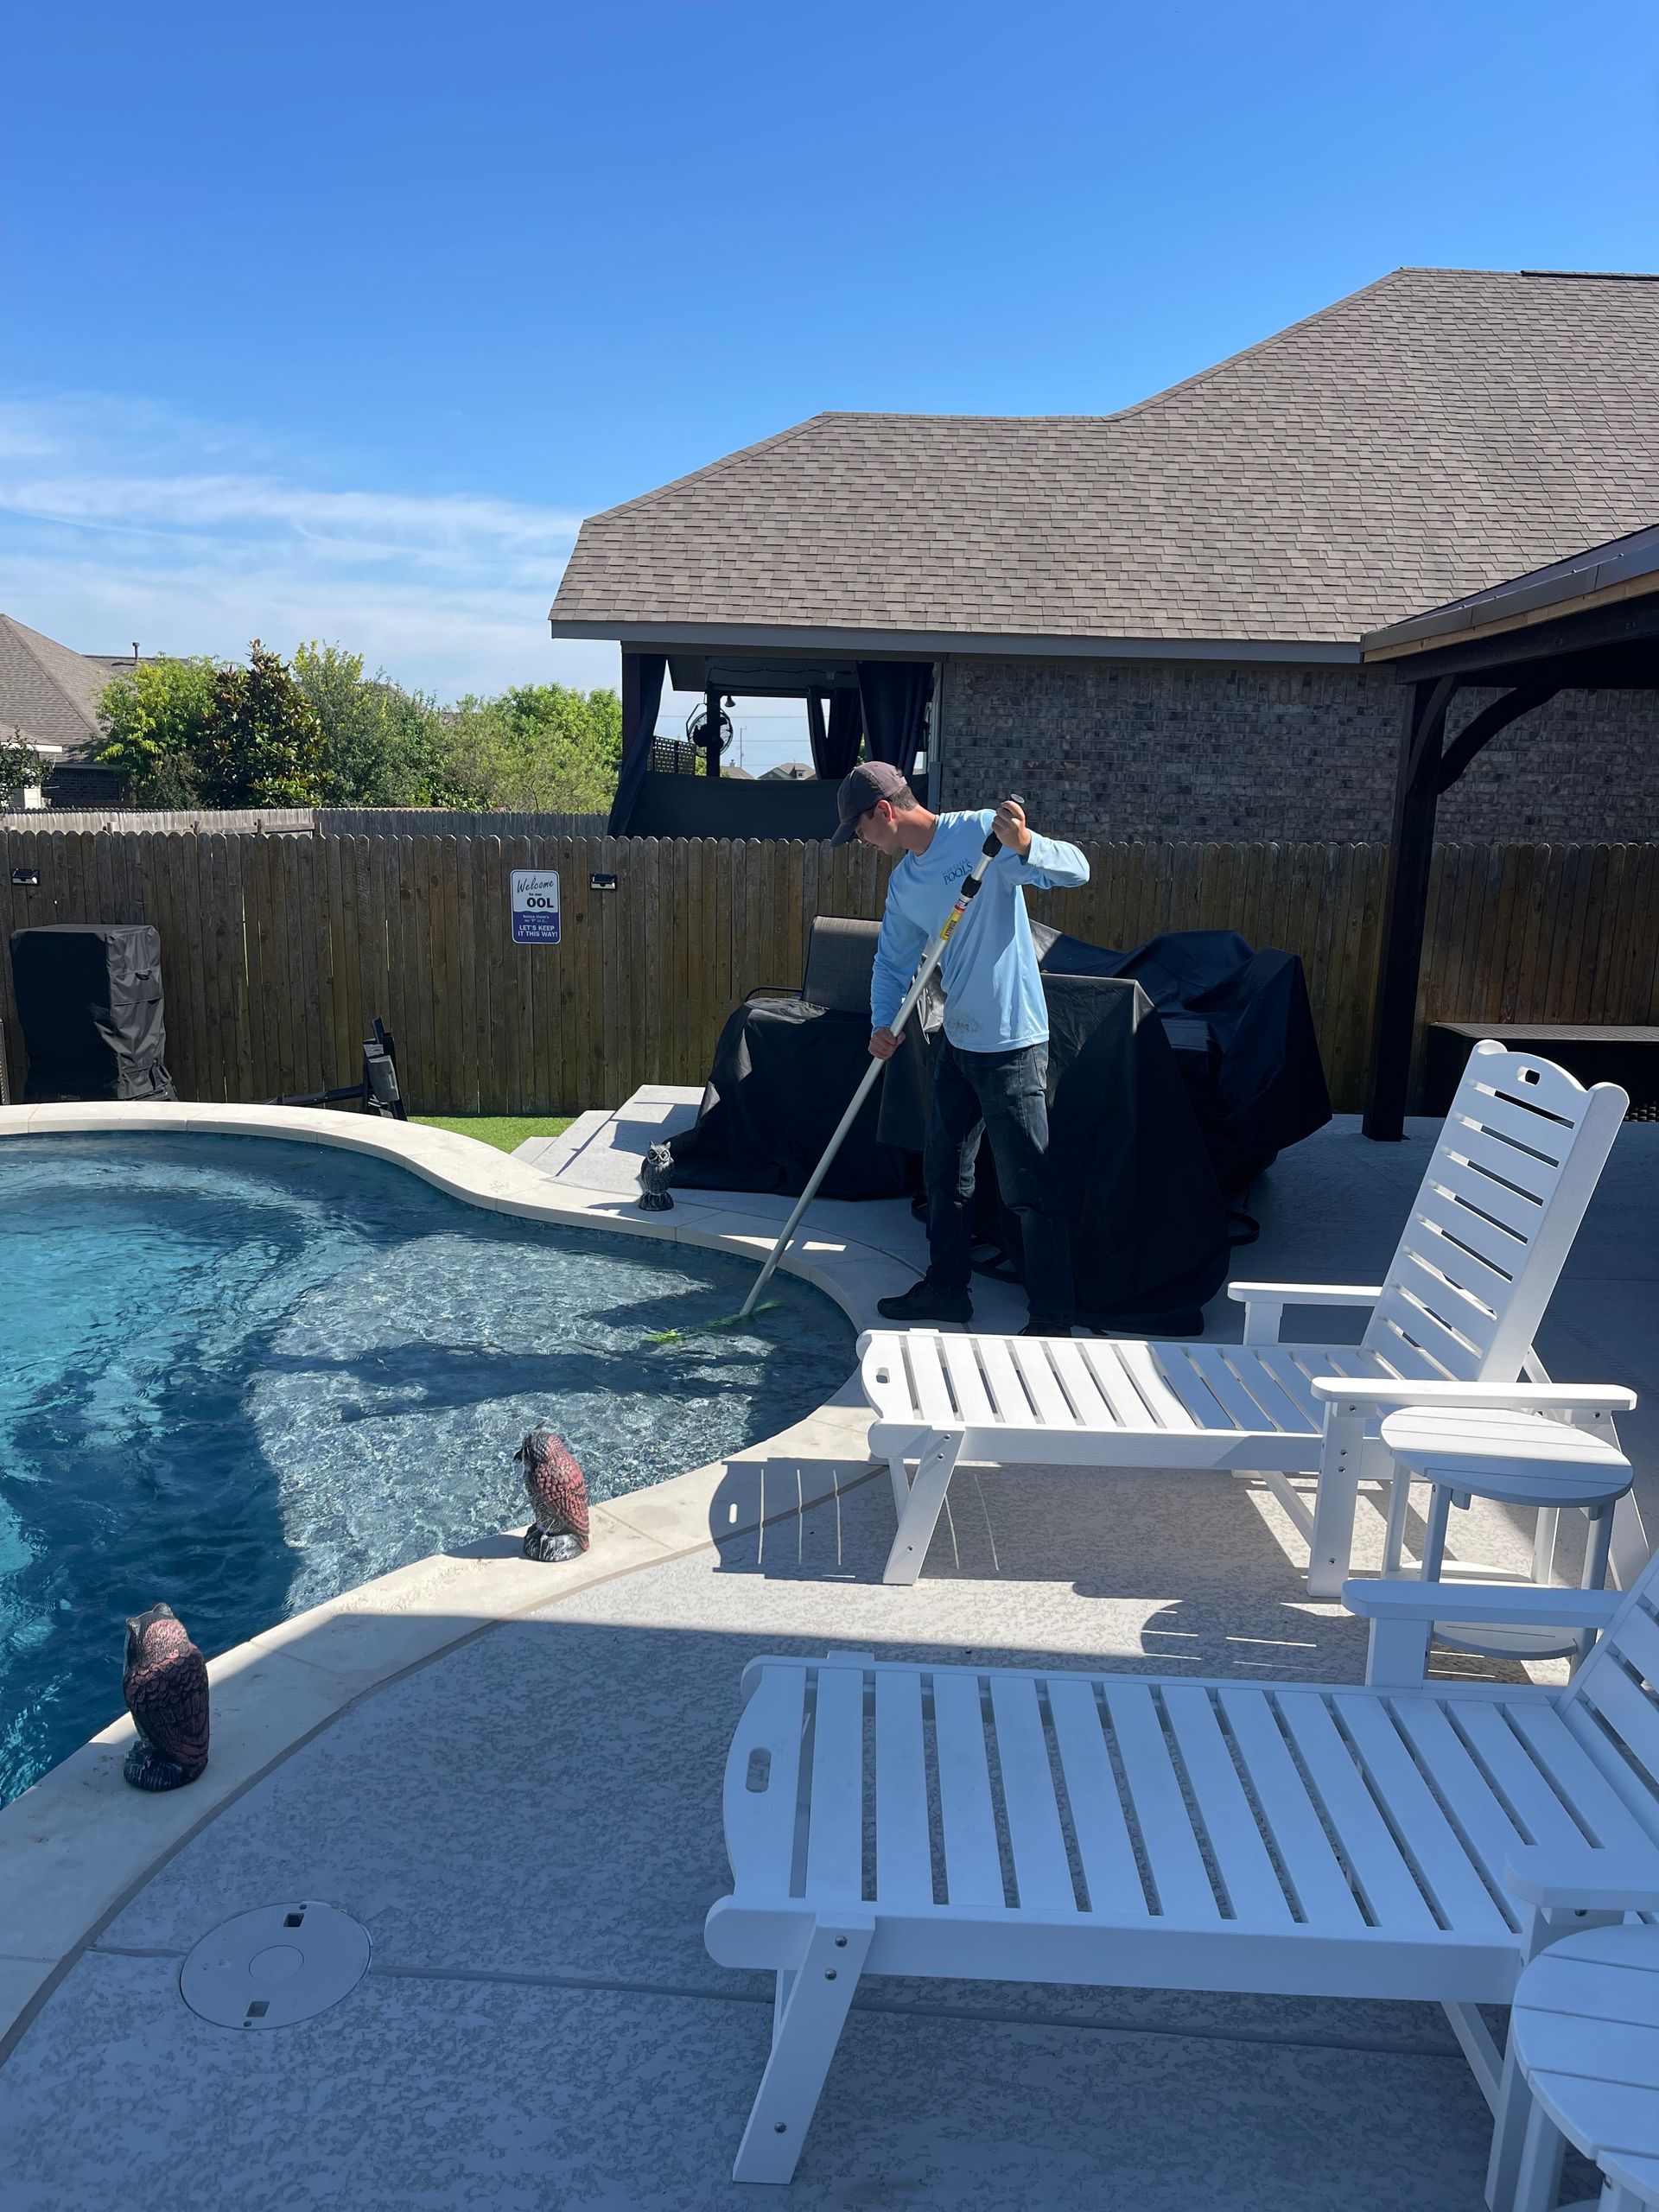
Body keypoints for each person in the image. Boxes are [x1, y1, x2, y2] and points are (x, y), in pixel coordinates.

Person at [830, 760, 1090, 1336]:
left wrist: (1026, 844)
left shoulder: (980, 835)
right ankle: (948, 1291)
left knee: (1029, 1188)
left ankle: (1053, 1317)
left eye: (861, 830)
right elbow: (892, 964)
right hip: (959, 1040)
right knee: (944, 1177)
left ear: (884, 812)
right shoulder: (905, 883)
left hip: (1013, 1042)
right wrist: (882, 1022)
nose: (863, 843)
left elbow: (1078, 871)